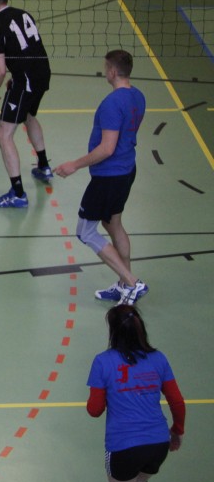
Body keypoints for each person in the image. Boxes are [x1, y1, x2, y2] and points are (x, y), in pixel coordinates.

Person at [86, 305, 184, 482]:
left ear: (113, 331)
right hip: (158, 443)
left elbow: (94, 410)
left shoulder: (103, 361)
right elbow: (177, 401)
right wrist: (177, 431)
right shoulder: (159, 358)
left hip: (123, 446)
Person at [55, 50, 149, 304]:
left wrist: (74, 165)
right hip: (127, 169)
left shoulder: (111, 104)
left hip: (109, 177)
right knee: (113, 224)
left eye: (106, 67)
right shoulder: (138, 96)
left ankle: (131, 283)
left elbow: (107, 148)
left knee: (85, 231)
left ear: (112, 71)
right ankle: (125, 286)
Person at [0, 0, 53, 208]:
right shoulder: (23, 14)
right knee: (29, 116)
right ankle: (43, 166)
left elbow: (0, 70)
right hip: (42, 74)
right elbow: (30, 48)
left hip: (26, 81)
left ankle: (18, 193)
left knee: (3, 134)